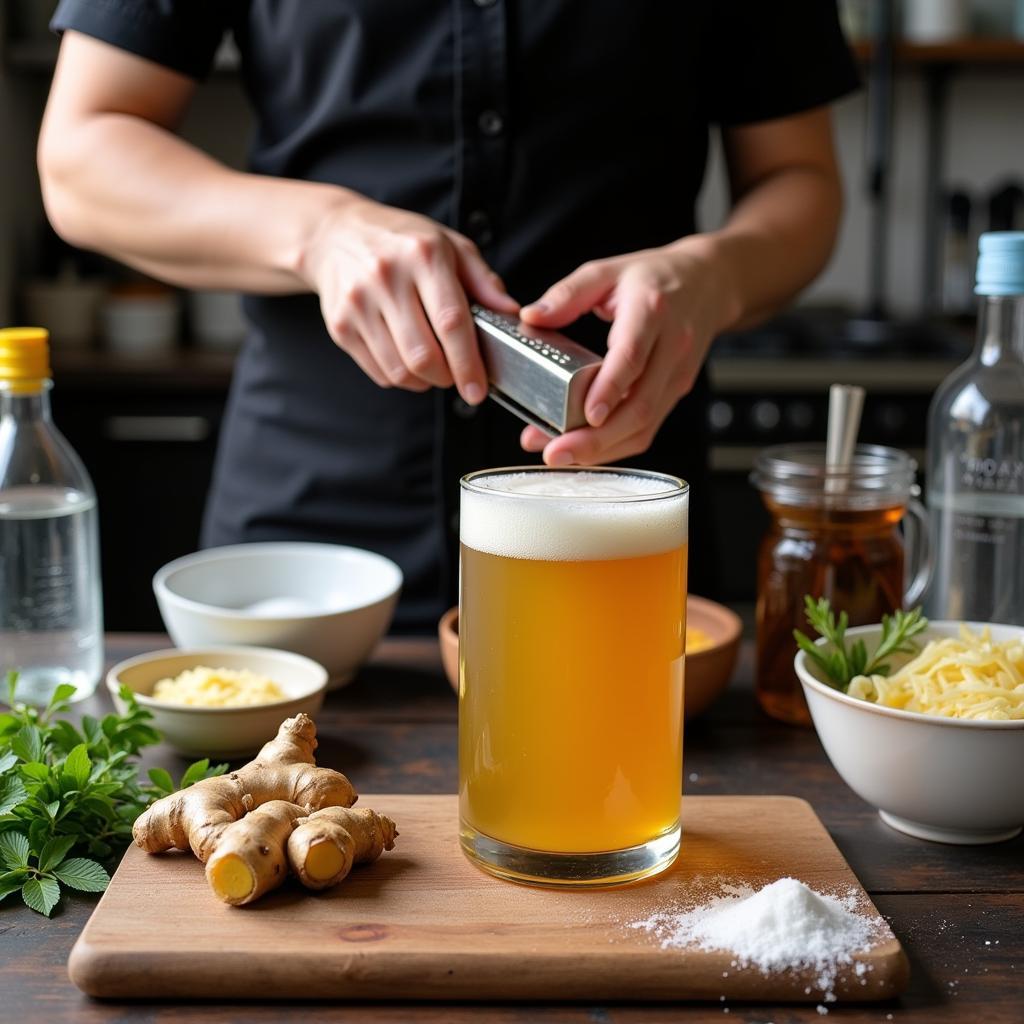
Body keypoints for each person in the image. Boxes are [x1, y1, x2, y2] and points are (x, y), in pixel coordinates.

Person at [38, 2, 858, 632]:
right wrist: (320, 233)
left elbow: (801, 180)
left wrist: (711, 275)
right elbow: (82, 156)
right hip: (310, 546)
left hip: (616, 520)